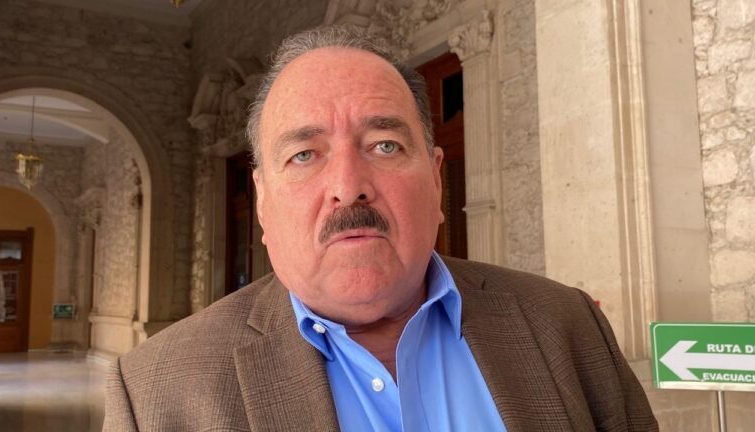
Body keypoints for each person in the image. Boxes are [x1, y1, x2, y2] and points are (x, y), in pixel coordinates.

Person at [103, 25, 658, 432]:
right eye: (304, 154)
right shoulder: (155, 395)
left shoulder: (567, 325)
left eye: (385, 145)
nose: (349, 187)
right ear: (263, 202)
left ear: (436, 180)